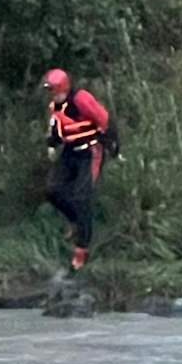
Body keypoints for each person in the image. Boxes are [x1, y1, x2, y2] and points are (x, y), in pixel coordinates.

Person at [41, 68, 121, 270]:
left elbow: (105, 120)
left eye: (53, 90)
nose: (51, 94)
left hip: (90, 151)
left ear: (63, 88)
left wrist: (113, 145)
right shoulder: (55, 106)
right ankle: (75, 221)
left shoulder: (81, 99)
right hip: (70, 151)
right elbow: (57, 128)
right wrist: (52, 144)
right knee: (53, 190)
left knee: (81, 196)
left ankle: (81, 249)